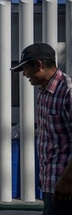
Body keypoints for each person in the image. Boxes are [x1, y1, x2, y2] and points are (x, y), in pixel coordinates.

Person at [11, 43, 72, 214]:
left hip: (66, 188)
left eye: (25, 69)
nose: (24, 74)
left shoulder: (68, 91)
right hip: (51, 184)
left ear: (39, 65)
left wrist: (67, 180)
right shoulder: (43, 92)